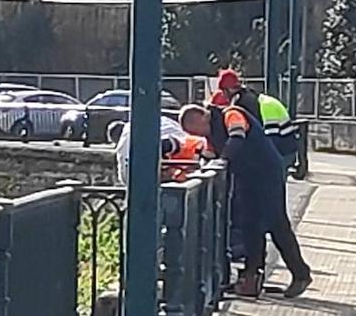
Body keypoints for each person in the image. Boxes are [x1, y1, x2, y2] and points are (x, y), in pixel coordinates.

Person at [179, 101, 312, 299]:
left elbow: (237, 136)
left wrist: (223, 160)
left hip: (266, 173)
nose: (200, 135)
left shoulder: (231, 115)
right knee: (249, 225)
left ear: (202, 117)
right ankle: (252, 275)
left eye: (197, 130)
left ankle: (300, 274)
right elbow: (209, 153)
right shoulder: (211, 133)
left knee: (276, 223)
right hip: (247, 176)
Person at [110, 117, 209, 185]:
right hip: (196, 149)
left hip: (183, 156)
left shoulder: (124, 145)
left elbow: (125, 179)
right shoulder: (156, 120)